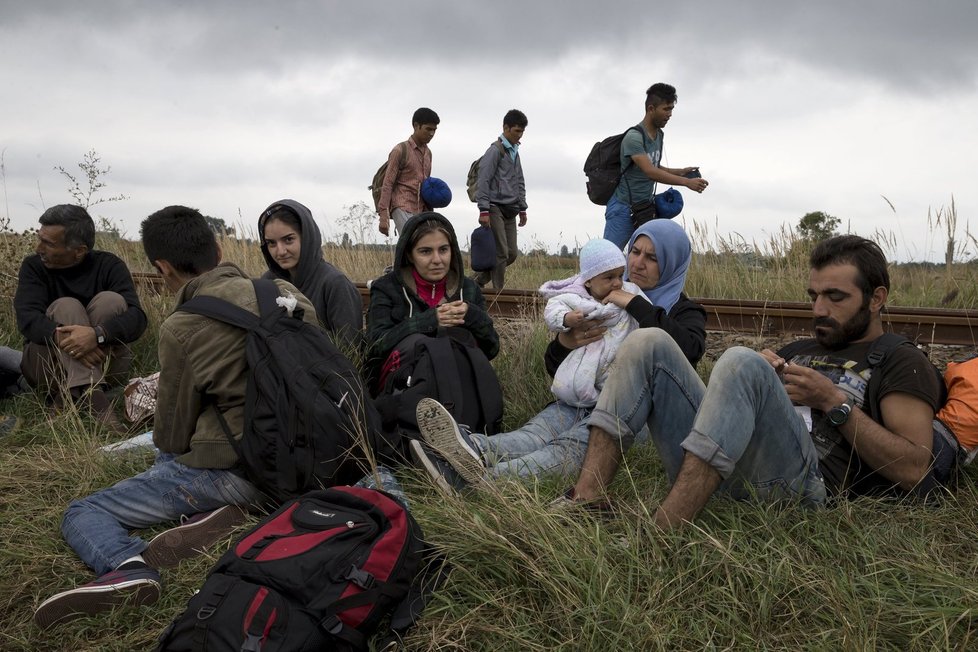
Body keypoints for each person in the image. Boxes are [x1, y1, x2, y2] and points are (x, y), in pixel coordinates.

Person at [33, 206, 320, 629]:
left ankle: (127, 566)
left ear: (162, 268)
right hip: (314, 456)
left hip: (240, 468)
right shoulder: (284, 292)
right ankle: (212, 517)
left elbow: (171, 433)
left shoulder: (183, 324)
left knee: (83, 511)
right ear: (219, 249)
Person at [559, 235, 950, 528]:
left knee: (741, 360)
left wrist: (833, 401)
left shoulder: (900, 359)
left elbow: (915, 468)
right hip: (729, 466)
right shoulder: (802, 346)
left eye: (835, 297)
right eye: (814, 296)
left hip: (803, 487)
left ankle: (661, 532)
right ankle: (587, 498)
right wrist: (761, 377)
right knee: (647, 341)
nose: (819, 310)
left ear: (877, 298)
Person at [412, 221, 705, 486]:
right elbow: (555, 366)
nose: (638, 263)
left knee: (570, 447)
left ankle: (481, 481)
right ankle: (466, 448)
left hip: (633, 415)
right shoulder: (596, 295)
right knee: (536, 433)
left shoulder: (683, 311)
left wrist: (634, 304)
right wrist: (566, 341)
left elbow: (689, 351)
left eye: (652, 258)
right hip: (581, 399)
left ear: (672, 263)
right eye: (635, 251)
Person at [14, 205, 146, 431]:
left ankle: (68, 397)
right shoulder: (34, 267)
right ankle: (98, 403)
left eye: (49, 243)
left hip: (107, 365)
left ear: (79, 250)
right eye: (40, 239)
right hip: (47, 369)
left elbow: (137, 319)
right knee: (67, 306)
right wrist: (73, 340)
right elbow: (28, 319)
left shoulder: (109, 265)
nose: (39, 249)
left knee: (111, 301)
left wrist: (97, 336)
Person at [366, 212, 499, 369]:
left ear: (452, 250)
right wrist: (429, 321)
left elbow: (492, 349)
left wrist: (471, 316)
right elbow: (374, 348)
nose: (437, 260)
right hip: (407, 383)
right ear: (409, 254)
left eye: (443, 250)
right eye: (425, 251)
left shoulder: (469, 289)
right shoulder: (386, 288)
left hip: (459, 380)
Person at [603, 83, 709, 249]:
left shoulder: (658, 134)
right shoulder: (634, 137)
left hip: (644, 208)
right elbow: (650, 171)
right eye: (666, 109)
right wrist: (687, 183)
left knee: (643, 259)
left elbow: (655, 166)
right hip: (623, 209)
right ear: (651, 108)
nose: (670, 114)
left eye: (672, 109)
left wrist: (682, 172)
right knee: (607, 259)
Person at [258, 199, 363, 346]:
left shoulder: (335, 284)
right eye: (271, 243)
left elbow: (350, 348)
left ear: (306, 237)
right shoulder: (267, 282)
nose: (280, 251)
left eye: (288, 240)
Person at [472, 109, 529, 290]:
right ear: (505, 128)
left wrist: (522, 208)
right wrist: (484, 210)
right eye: (516, 131)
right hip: (494, 206)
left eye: (521, 132)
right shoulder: (495, 151)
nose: (519, 135)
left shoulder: (515, 152)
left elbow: (519, 180)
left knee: (511, 254)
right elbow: (484, 180)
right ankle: (498, 293)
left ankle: (476, 282)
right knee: (501, 253)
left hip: (511, 209)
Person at [377, 107, 440, 237]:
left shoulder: (428, 154)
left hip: (421, 210)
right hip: (401, 205)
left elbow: (425, 184)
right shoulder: (400, 150)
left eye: (434, 130)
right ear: (416, 126)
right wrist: (383, 215)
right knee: (410, 244)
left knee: (421, 247)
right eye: (428, 129)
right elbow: (387, 183)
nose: (432, 134)